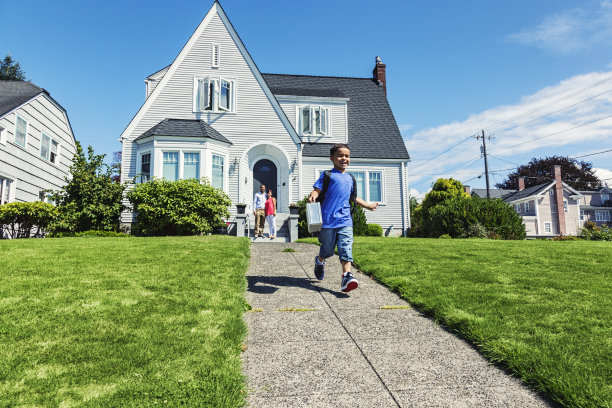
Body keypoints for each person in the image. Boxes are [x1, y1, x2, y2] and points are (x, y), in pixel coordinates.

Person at [308, 143, 378, 293]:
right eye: (340, 155)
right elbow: (317, 190)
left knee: (346, 247)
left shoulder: (350, 178)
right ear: (332, 158)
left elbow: (353, 197)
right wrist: (312, 196)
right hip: (327, 220)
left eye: (347, 156)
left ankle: (346, 276)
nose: (344, 158)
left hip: (345, 219)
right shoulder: (327, 175)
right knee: (327, 250)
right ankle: (320, 261)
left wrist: (368, 206)